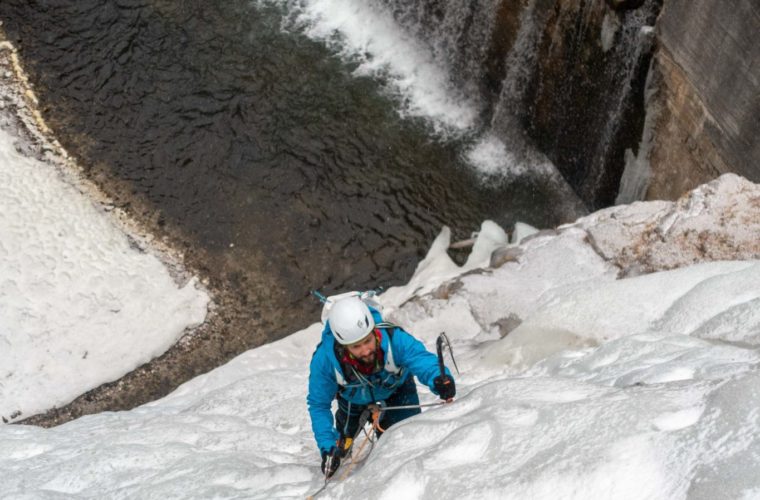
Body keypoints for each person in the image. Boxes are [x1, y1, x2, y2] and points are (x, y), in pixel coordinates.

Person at [307, 294, 456, 478]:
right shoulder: (325, 361)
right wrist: (327, 446)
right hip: (352, 401)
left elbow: (420, 359)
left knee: (406, 445)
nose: (366, 350)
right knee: (340, 449)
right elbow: (318, 404)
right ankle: (343, 442)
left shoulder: (394, 339)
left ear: (374, 331)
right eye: (356, 347)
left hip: (396, 392)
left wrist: (439, 379)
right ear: (343, 346)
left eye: (368, 341)